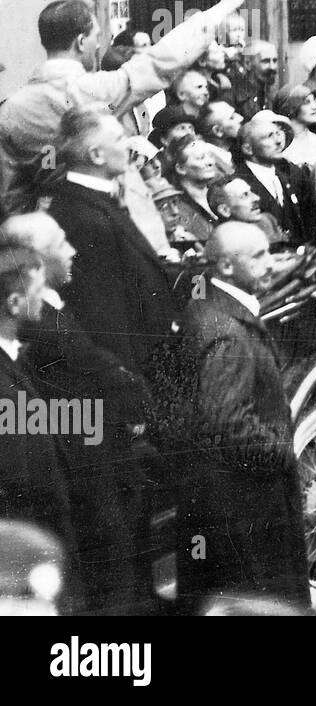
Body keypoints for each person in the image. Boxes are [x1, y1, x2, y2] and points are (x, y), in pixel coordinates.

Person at [0, 0, 258, 215]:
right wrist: (221, 9)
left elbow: (10, 192)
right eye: (96, 36)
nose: (99, 44)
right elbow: (160, 61)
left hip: (42, 221)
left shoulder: (10, 109)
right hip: (96, 212)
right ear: (80, 42)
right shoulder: (96, 89)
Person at [2, 212, 153, 613]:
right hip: (83, 475)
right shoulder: (38, 330)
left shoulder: (53, 309)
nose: (71, 252)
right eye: (60, 244)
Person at [168, 222, 309, 610]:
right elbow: (227, 423)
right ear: (226, 268)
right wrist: (281, 454)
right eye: (258, 256)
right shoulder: (227, 330)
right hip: (246, 500)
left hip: (226, 496)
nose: (271, 264)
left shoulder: (214, 310)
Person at [44, 106, 180, 378]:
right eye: (118, 140)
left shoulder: (94, 200)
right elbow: (106, 315)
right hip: (139, 366)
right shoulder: (84, 217)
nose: (128, 147)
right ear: (96, 155)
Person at [0, 248, 79, 600]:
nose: (42, 301)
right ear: (15, 303)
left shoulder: (14, 357)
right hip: (30, 528)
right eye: (37, 292)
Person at [232, 111, 316, 248]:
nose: (279, 141)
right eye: (269, 137)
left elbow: (311, 220)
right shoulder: (238, 184)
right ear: (248, 149)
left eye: (278, 134)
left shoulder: (293, 174)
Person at [234, 41, 280, 120]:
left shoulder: (269, 95)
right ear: (248, 64)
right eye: (266, 61)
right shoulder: (235, 97)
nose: (272, 67)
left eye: (275, 61)